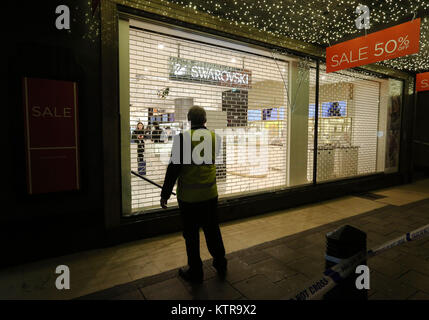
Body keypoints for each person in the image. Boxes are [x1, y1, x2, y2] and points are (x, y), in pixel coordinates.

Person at [160, 106, 227, 283]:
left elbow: (173, 169)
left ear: (190, 120)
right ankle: (221, 264)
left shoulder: (182, 139)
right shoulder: (216, 137)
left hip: (189, 199)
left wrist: (165, 193)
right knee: (213, 231)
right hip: (210, 195)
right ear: (205, 119)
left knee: (191, 236)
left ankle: (196, 272)